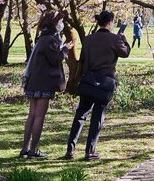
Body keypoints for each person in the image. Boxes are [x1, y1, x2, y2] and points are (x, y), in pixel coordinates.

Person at [66, 9, 130, 160]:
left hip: (88, 81)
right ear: (109, 22)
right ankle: (90, 151)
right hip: (104, 83)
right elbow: (125, 52)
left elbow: (82, 60)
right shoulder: (115, 39)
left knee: (80, 114)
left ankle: (70, 149)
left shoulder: (88, 40)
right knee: (97, 117)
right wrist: (123, 39)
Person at [21, 9, 72, 158]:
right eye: (60, 21)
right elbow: (55, 59)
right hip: (43, 82)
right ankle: (33, 149)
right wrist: (65, 49)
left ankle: (26, 148)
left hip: (34, 81)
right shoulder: (50, 39)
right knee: (39, 116)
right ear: (55, 23)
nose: (62, 24)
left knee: (32, 115)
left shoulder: (41, 38)